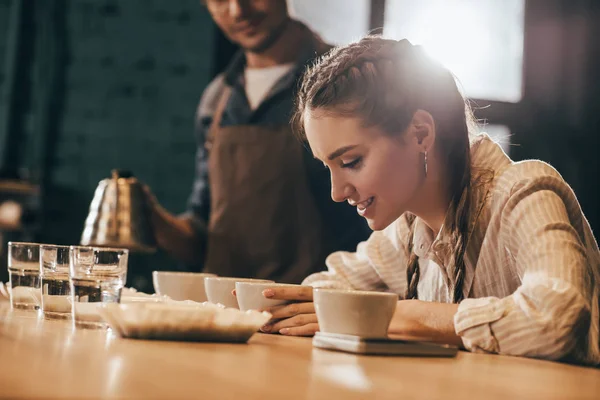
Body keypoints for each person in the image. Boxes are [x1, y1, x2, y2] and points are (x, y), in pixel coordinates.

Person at [259, 36, 600, 365]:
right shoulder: (408, 227)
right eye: (328, 167)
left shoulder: (523, 194)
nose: (337, 192)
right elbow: (329, 286)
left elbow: (558, 316)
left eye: (351, 162)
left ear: (420, 133)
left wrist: (402, 315)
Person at [145, 0, 370, 283]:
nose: (239, 10)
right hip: (225, 314)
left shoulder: (344, 83)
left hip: (314, 311)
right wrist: (152, 218)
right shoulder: (216, 101)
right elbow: (205, 238)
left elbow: (379, 235)